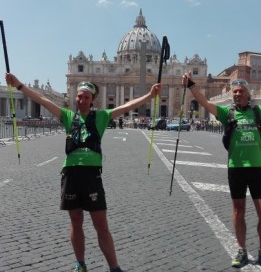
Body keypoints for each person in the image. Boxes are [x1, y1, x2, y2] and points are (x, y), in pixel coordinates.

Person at [6, 73, 161, 272]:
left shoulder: (102, 117)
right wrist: (19, 85)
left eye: (86, 97)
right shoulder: (68, 116)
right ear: (76, 98)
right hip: (70, 174)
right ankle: (80, 264)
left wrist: (149, 96)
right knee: (76, 222)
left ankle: (114, 267)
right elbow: (42, 100)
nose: (82, 100)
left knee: (101, 224)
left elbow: (126, 107)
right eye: (79, 96)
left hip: (91, 175)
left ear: (92, 100)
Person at [182, 72, 261, 270]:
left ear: (248, 94)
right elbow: (205, 102)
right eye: (235, 92)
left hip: (256, 169)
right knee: (238, 211)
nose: (237, 94)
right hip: (235, 168)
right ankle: (241, 250)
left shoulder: (260, 111)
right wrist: (190, 86)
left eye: (240, 91)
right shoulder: (227, 113)